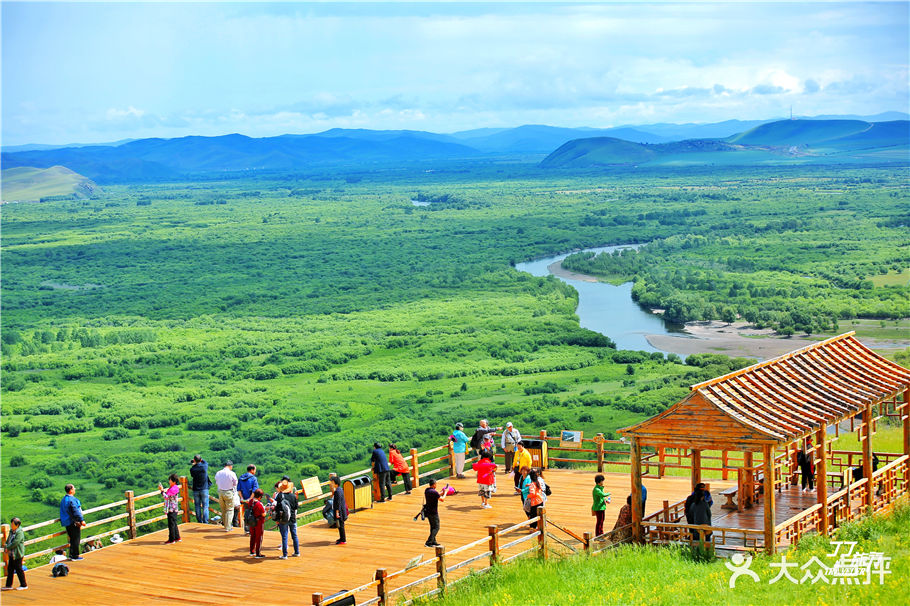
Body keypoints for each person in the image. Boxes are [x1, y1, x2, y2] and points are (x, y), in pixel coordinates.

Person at [274, 476, 300, 559]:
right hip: (292, 518)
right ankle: (297, 552)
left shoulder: (280, 496)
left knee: (284, 536)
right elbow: (296, 507)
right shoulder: (293, 496)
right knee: (294, 535)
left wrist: (277, 519)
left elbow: (277, 508)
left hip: (283, 519)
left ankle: (285, 555)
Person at [59, 484, 85, 560]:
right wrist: (81, 520)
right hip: (73, 522)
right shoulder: (72, 500)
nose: (75, 490)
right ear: (71, 490)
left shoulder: (64, 499)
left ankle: (71, 555)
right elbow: (76, 510)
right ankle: (75, 555)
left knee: (72, 539)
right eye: (74, 489)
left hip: (67, 522)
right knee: (76, 539)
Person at [2, 518, 26, 591]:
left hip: (17, 554)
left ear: (17, 525)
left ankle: (24, 585)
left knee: (19, 569)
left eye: (12, 524)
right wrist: (6, 546)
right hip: (11, 554)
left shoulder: (19, 532)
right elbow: (8, 540)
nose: (11, 525)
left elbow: (16, 542)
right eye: (11, 524)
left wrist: (7, 547)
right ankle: (8, 585)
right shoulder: (11, 531)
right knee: (10, 569)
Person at [214, 460, 238, 531]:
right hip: (229, 492)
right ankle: (228, 527)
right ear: (230, 466)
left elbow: (217, 481)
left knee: (223, 509)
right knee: (230, 509)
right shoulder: (232, 473)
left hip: (220, 492)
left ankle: (225, 525)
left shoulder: (218, 473)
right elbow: (235, 483)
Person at [158, 474, 182, 544]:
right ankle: (177, 537)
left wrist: (161, 490)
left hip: (171, 509)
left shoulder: (172, 489)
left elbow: (166, 497)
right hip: (175, 508)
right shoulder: (175, 488)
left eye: (170, 480)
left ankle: (172, 539)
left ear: (174, 481)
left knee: (171, 524)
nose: (169, 481)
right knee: (174, 523)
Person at [423, 478, 447, 547]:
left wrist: (441, 492)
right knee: (437, 527)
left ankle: (433, 541)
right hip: (434, 512)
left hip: (428, 511)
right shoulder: (434, 492)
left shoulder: (427, 490)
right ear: (434, 485)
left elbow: (436, 495)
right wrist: (445, 493)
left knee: (432, 527)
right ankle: (429, 542)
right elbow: (442, 499)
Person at [237, 464, 260, 532]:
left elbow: (239, 489)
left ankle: (246, 529)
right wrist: (250, 499)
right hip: (252, 499)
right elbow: (255, 490)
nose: (255, 471)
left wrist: (241, 498)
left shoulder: (241, 477)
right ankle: (252, 530)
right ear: (252, 470)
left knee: (246, 512)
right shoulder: (253, 478)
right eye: (255, 470)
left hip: (244, 499)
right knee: (253, 514)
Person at [189, 455, 211, 524]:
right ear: (201, 460)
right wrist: (198, 460)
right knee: (205, 506)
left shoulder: (192, 469)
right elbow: (205, 462)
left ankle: (199, 521)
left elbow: (192, 475)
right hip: (204, 489)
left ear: (194, 460)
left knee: (197, 506)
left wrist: (194, 463)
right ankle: (205, 522)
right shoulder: (204, 466)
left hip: (196, 489)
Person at [248, 488, 266, 558]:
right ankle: (258, 553)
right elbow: (263, 514)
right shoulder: (259, 504)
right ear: (260, 497)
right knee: (259, 537)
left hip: (251, 521)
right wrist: (266, 510)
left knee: (253, 536)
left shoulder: (251, 501)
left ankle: (252, 551)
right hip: (259, 522)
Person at [330, 475, 348, 545]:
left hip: (340, 511)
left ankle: (343, 540)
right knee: (340, 525)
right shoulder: (340, 489)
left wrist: (337, 512)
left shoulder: (337, 491)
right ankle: (341, 538)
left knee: (341, 526)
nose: (331, 484)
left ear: (335, 483)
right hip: (342, 510)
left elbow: (338, 503)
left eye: (332, 482)